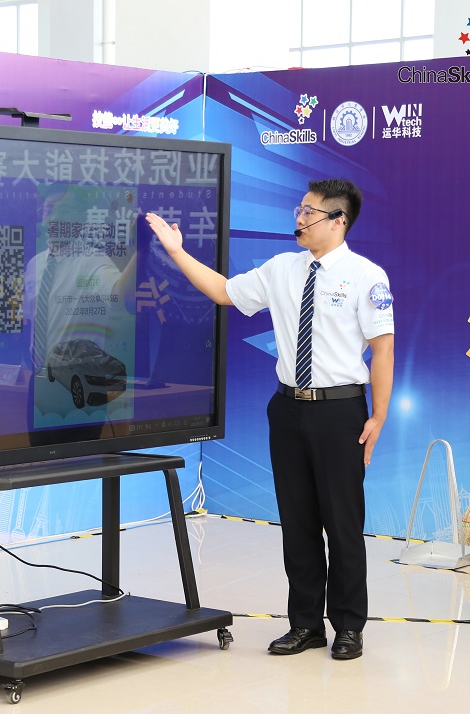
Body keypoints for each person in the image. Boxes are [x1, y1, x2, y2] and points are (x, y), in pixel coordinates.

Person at [145, 179, 393, 661]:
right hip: (288, 409)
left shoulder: (366, 276)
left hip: (340, 410)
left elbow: (382, 350)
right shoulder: (281, 268)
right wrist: (176, 251)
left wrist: (378, 415)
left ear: (338, 220)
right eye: (299, 209)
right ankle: (305, 624)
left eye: (310, 213)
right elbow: (222, 292)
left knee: (342, 523)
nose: (299, 219)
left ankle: (348, 626)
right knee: (297, 522)